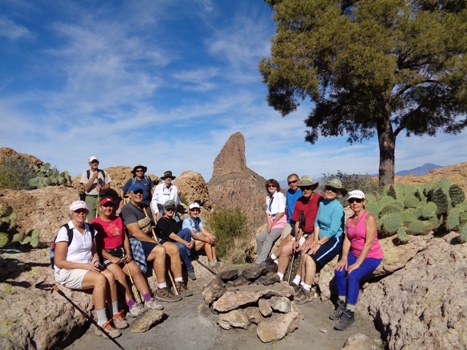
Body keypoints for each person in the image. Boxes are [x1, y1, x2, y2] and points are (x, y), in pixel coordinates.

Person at [54, 201, 124, 339]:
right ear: (72, 213)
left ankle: (115, 313)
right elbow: (59, 261)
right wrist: (85, 266)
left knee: (110, 276)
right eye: (77, 211)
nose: (81, 213)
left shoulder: (90, 229)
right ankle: (102, 323)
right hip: (68, 270)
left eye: (83, 211)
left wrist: (95, 260)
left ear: (87, 212)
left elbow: (94, 252)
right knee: (100, 279)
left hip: (87, 266)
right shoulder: (65, 231)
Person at [90, 197, 164, 317]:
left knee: (136, 271)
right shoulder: (95, 223)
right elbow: (95, 245)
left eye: (110, 206)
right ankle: (132, 305)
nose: (108, 208)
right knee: (119, 276)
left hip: (121, 252)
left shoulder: (118, 220)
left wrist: (128, 253)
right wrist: (110, 257)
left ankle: (148, 299)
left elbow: (124, 238)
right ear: (100, 207)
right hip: (107, 255)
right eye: (105, 206)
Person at [120, 184, 184, 302]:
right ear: (129, 195)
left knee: (173, 248)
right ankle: (162, 289)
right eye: (135, 192)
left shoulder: (145, 207)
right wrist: (156, 243)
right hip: (137, 242)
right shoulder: (127, 210)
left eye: (140, 192)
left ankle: (179, 282)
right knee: (160, 250)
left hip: (150, 238)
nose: (138, 194)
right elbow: (135, 233)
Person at [331, 190, 383, 331]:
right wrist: (344, 258)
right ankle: (341, 304)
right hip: (354, 253)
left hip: (371, 256)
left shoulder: (369, 218)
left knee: (353, 275)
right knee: (339, 270)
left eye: (358, 200)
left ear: (364, 202)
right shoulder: (350, 220)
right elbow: (348, 239)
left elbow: (369, 242)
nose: (354, 203)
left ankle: (350, 312)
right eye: (352, 201)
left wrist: (357, 264)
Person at [295, 178, 346, 305]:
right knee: (305, 254)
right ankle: (301, 284)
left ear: (338, 192)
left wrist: (319, 243)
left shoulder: (337, 207)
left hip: (333, 240)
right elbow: (317, 222)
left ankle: (307, 291)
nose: (330, 191)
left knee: (311, 258)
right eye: (328, 188)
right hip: (321, 237)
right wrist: (315, 239)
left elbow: (333, 230)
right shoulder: (322, 203)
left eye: (333, 190)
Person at [273, 176, 322, 282]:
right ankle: (279, 276)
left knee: (305, 251)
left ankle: (297, 280)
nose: (305, 190)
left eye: (308, 188)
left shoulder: (319, 199)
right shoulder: (299, 202)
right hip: (303, 233)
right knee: (285, 249)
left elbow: (322, 222)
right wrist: (296, 239)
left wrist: (312, 238)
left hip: (316, 233)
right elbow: (298, 222)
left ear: (312, 188)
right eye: (303, 188)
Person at [267, 174, 302, 271]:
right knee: (283, 240)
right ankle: (276, 261)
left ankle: (273, 260)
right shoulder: (289, 192)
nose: (292, 184)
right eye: (289, 182)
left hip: (298, 222)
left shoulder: (303, 192)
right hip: (290, 221)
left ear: (299, 181)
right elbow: (286, 207)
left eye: (294, 181)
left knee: (288, 241)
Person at [156, 200, 197, 282]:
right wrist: (186, 243)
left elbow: (179, 233)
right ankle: (189, 267)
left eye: (172, 209)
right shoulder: (162, 221)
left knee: (186, 230)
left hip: (174, 240)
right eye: (168, 209)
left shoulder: (173, 220)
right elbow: (172, 236)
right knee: (181, 246)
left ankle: (187, 253)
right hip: (166, 242)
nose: (170, 211)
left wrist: (191, 241)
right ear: (164, 210)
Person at [255, 179, 286, 264]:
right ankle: (261, 258)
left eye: (273, 186)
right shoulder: (268, 196)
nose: (271, 187)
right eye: (269, 186)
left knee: (269, 239)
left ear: (277, 187)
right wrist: (269, 224)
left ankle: (259, 262)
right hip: (272, 221)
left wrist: (272, 225)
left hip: (280, 222)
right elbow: (268, 212)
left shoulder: (280, 195)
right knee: (259, 239)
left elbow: (281, 212)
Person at [182, 202, 218, 266]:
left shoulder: (198, 219)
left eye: (197, 210)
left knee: (210, 239)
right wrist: (206, 239)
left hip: (197, 241)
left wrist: (212, 236)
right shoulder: (187, 220)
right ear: (190, 211)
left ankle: (215, 260)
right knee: (207, 241)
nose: (195, 212)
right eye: (193, 210)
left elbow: (203, 231)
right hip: (190, 243)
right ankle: (211, 262)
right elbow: (194, 236)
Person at [80, 156, 111, 221]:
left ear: (98, 163)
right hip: (90, 198)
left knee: (103, 216)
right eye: (92, 162)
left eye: (96, 162)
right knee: (91, 217)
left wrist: (102, 189)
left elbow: (108, 186)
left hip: (101, 197)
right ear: (89, 164)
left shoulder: (103, 173)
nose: (94, 163)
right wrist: (94, 177)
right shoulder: (86, 174)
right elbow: (86, 188)